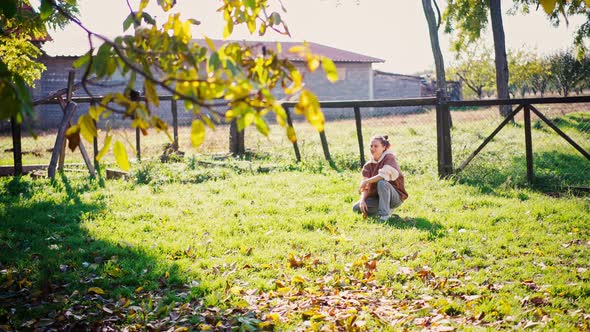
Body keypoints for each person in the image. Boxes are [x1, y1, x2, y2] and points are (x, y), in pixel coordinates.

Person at [353, 135, 408, 221]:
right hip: (378, 198)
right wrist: (362, 200)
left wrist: (367, 181)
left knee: (382, 183)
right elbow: (366, 187)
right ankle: (385, 209)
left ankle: (385, 216)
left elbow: (382, 175)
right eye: (371, 146)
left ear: (384, 147)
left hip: (395, 198)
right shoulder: (368, 166)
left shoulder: (389, 158)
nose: (372, 148)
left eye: (376, 146)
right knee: (356, 208)